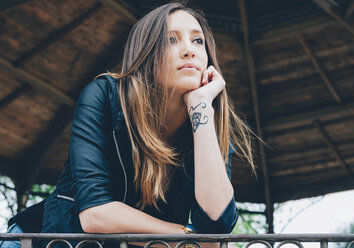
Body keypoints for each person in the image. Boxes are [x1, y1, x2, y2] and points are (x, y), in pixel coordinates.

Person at [1, 2, 255, 247]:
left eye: (197, 40)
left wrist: (201, 105)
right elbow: (95, 215)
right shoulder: (104, 96)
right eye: (171, 39)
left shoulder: (207, 128)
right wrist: (188, 238)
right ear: (146, 53)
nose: (189, 50)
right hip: (42, 240)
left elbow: (217, 225)